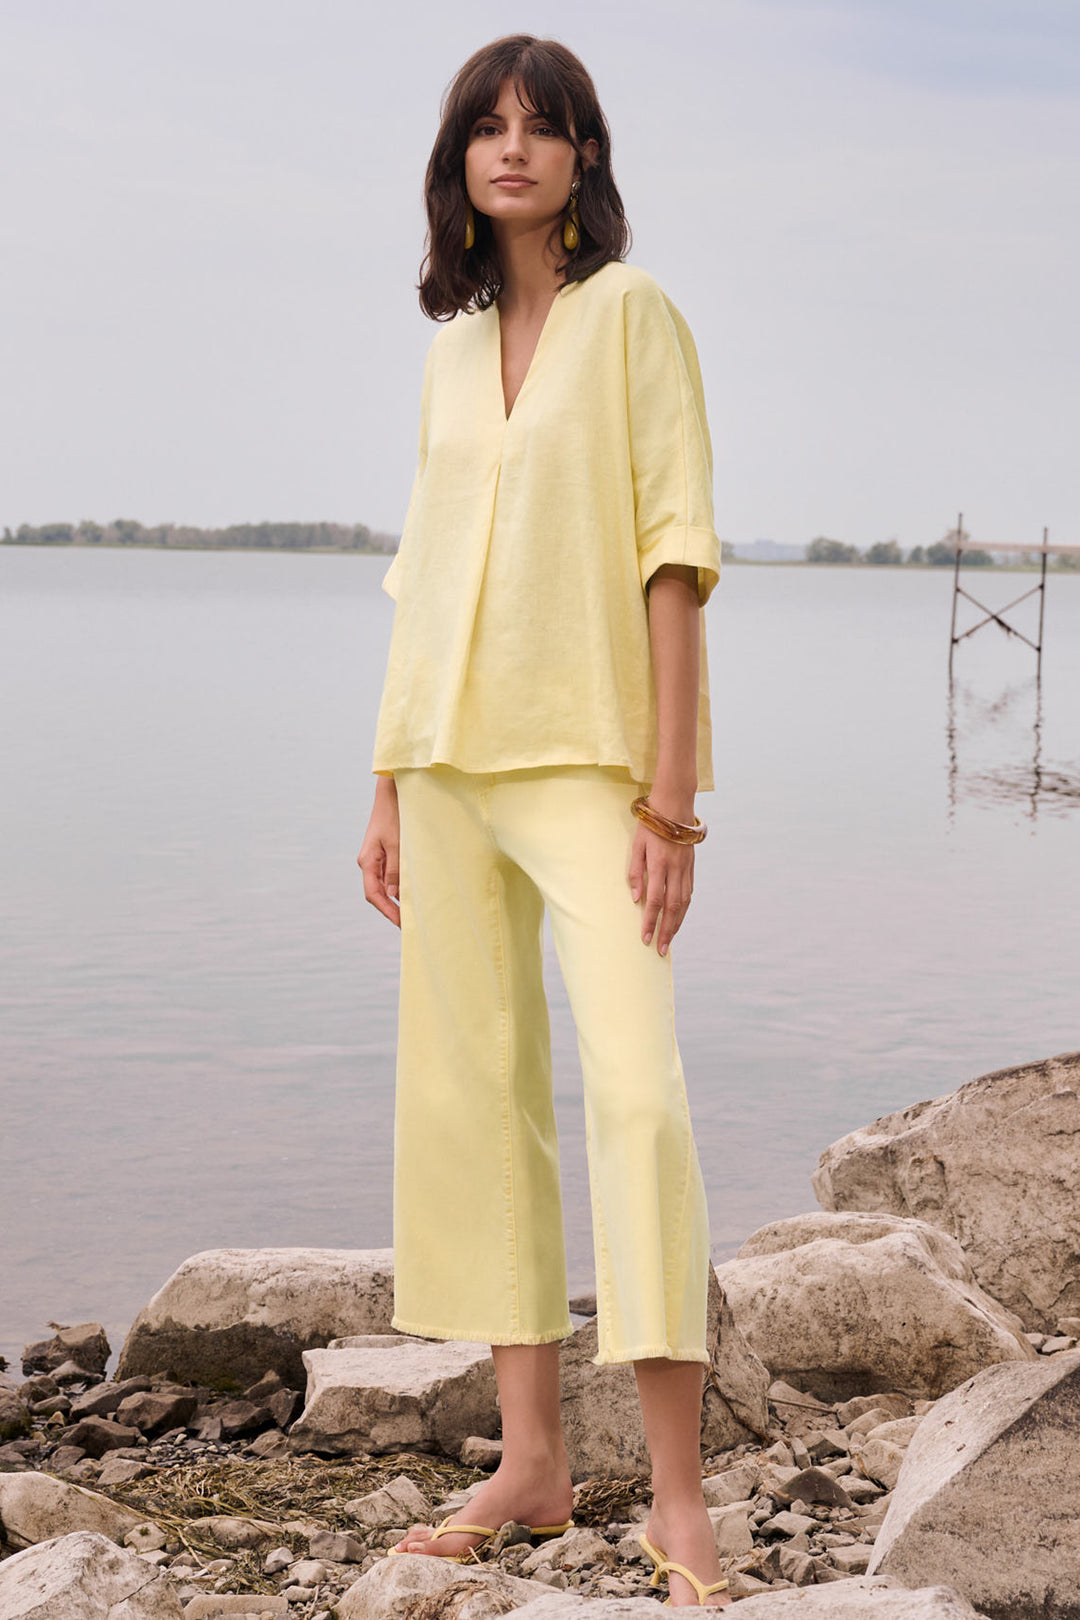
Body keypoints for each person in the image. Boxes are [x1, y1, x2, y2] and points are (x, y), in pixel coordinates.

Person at [357, 33, 732, 1609]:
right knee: (477, 1103)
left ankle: (681, 1497)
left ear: (584, 158)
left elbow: (674, 555)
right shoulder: (448, 354)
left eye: (543, 126)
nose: (513, 147)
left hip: (588, 764)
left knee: (638, 1099)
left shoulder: (633, 314)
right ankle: (530, 1464)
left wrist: (672, 801)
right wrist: (386, 780)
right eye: (487, 127)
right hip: (445, 765)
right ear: (459, 161)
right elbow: (424, 573)